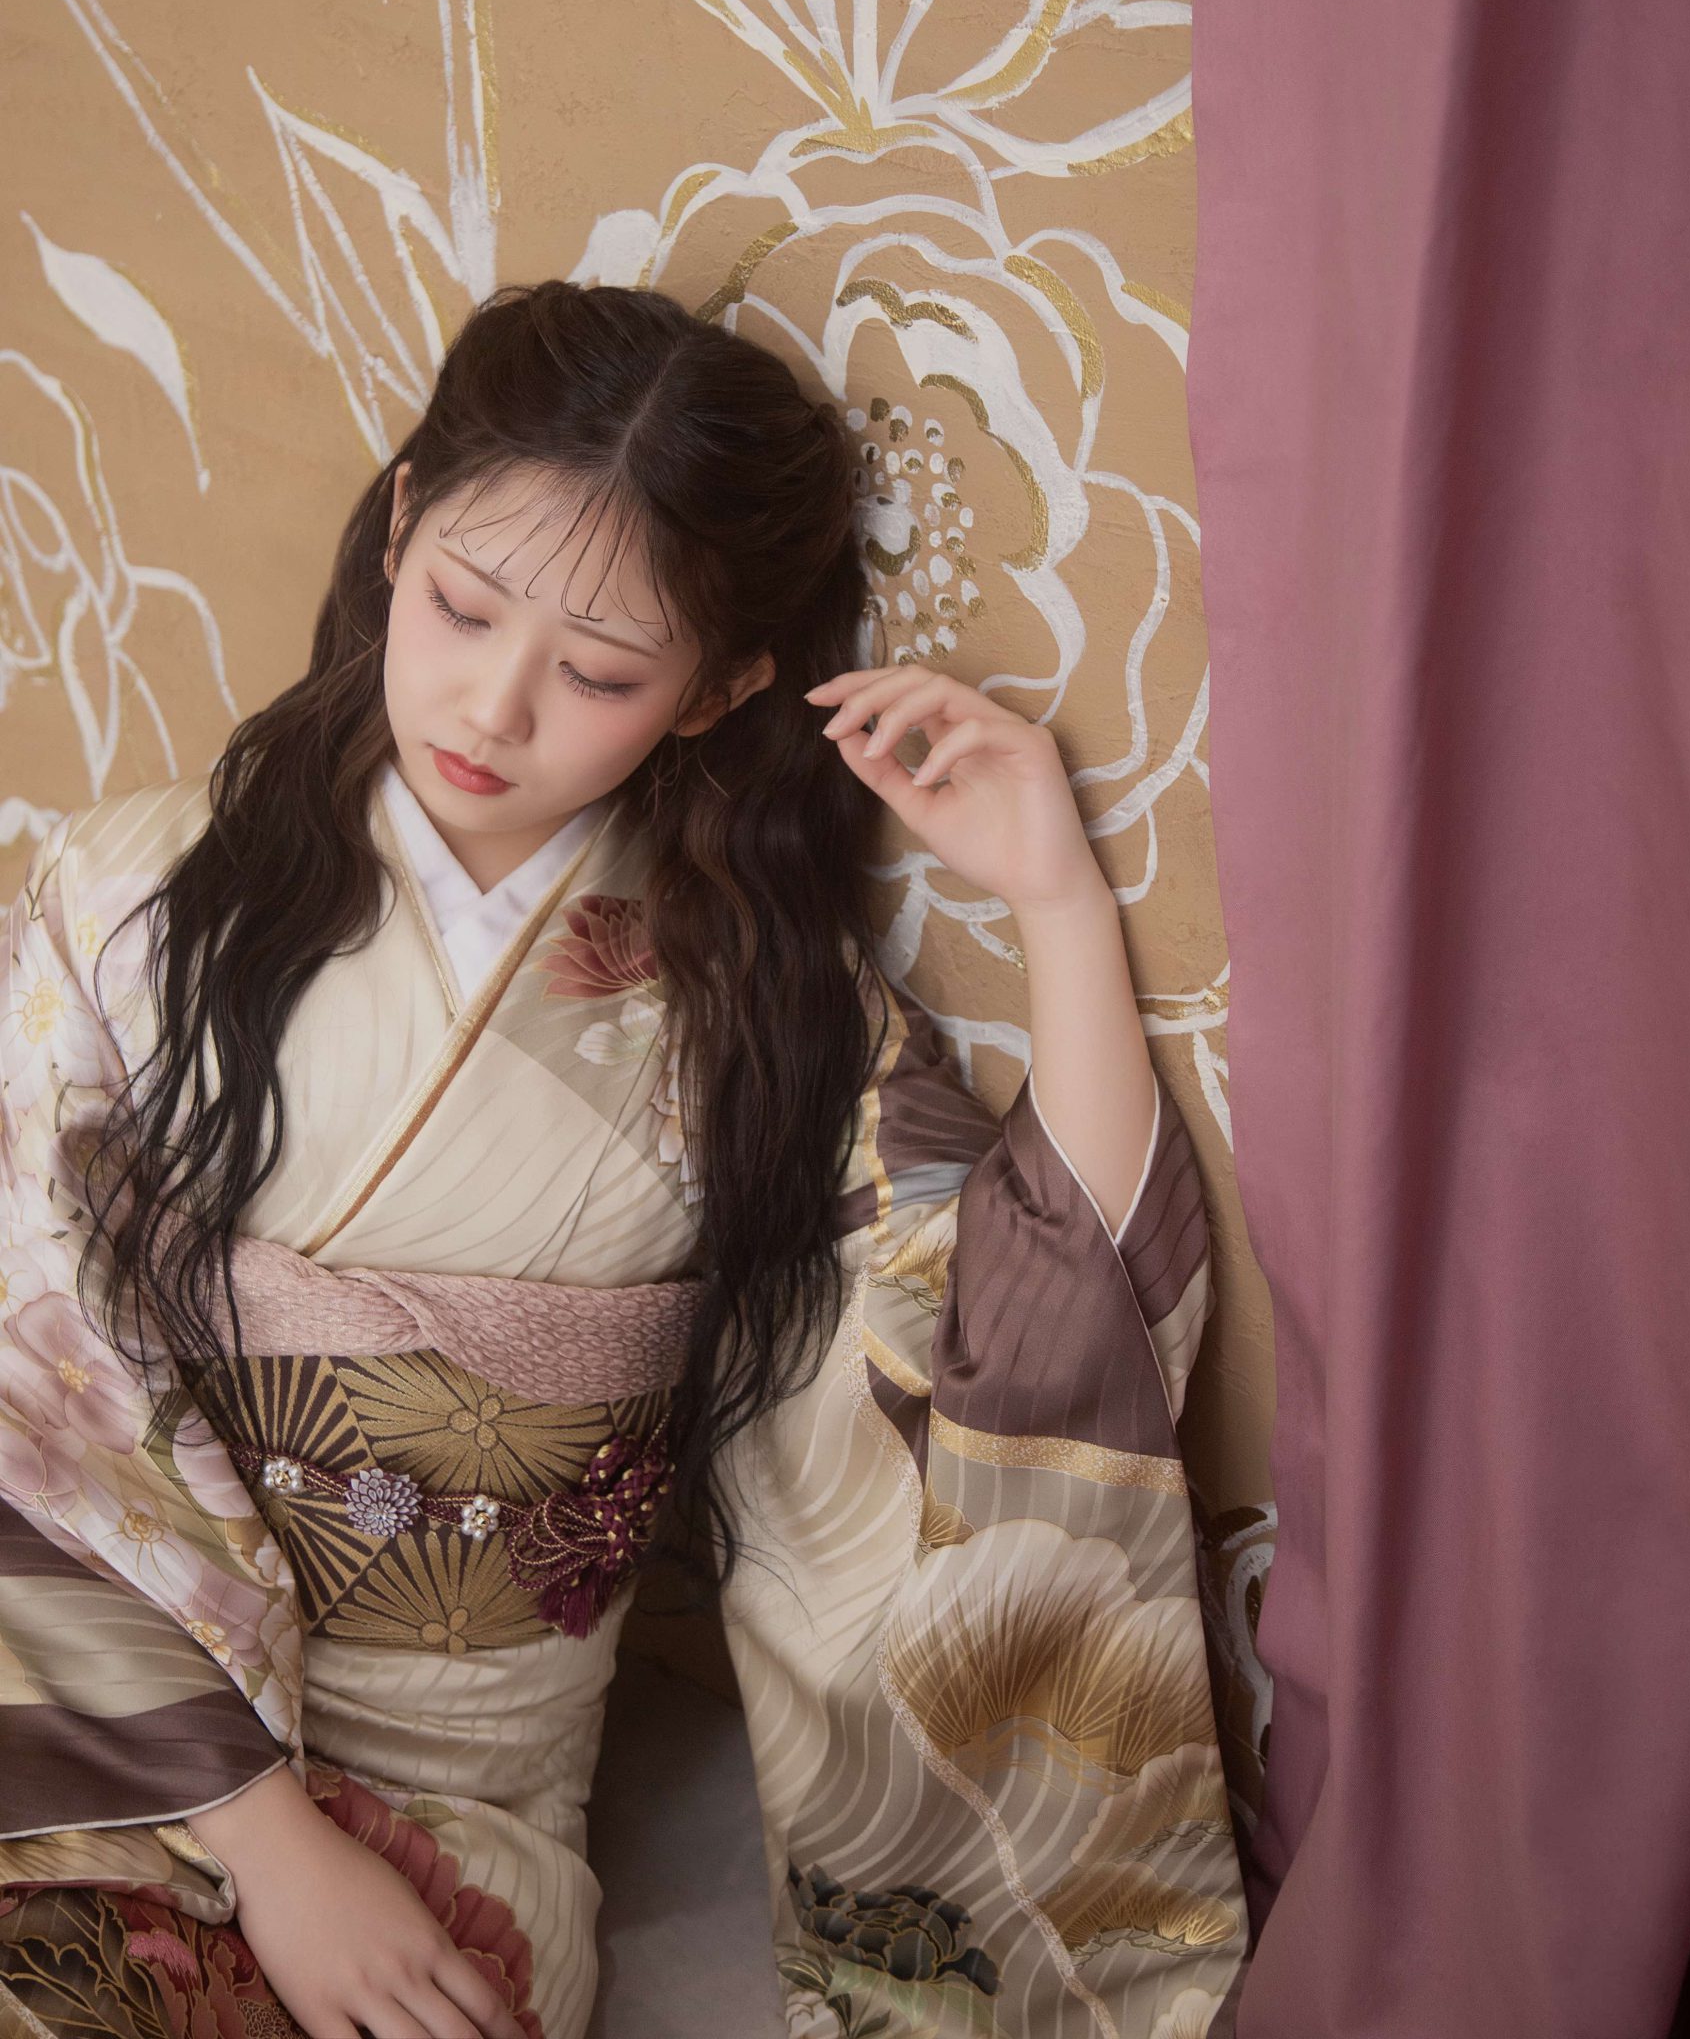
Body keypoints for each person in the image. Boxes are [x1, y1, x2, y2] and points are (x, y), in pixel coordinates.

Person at [0, 282, 1247, 2038]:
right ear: (403, 520)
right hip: (95, 1710)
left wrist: (1053, 897)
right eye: (460, 605)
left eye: (597, 673)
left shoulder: (749, 1011)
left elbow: (1039, 1331)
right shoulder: (128, 892)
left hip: (453, 1805)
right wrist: (262, 1839)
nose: (493, 705)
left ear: (716, 689)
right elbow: (22, 1385)